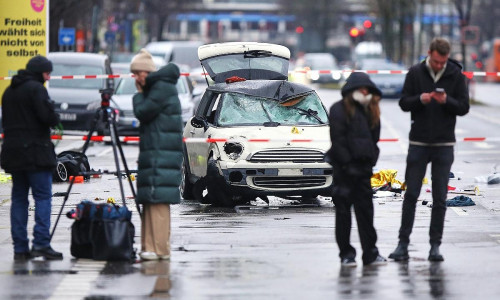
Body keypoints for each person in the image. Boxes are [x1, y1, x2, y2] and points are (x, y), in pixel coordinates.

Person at [389, 37, 470, 262]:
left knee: (440, 198)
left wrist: (447, 101)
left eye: (442, 62)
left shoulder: (455, 75)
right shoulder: (415, 73)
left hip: (444, 144)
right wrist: (420, 99)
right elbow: (404, 102)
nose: (438, 66)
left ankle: (435, 246)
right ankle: (402, 244)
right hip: (419, 143)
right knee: (411, 194)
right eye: (435, 62)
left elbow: (464, 108)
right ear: (429, 53)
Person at [1, 55, 62, 261]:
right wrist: (53, 112)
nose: (48, 77)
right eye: (47, 73)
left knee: (19, 198)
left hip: (13, 153)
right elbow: (48, 118)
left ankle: (20, 248)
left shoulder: (9, 92)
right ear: (39, 73)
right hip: (36, 153)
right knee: (43, 197)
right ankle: (41, 244)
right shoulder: (37, 90)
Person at [326, 72, 387, 267]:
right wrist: (346, 164)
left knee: (366, 215)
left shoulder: (372, 110)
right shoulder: (338, 109)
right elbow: (338, 141)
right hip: (344, 172)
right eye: (361, 89)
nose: (365, 92)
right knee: (343, 215)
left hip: (362, 172)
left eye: (367, 89)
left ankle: (370, 253)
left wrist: (369, 161)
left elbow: (373, 140)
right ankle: (346, 254)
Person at [131, 49, 184, 261]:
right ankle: (149, 247)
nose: (135, 78)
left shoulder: (160, 89)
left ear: (146, 72)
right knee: (151, 201)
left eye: (136, 74)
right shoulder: (160, 87)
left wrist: (138, 94)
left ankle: (158, 248)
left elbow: (142, 111)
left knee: (158, 203)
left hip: (160, 154)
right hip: (157, 152)